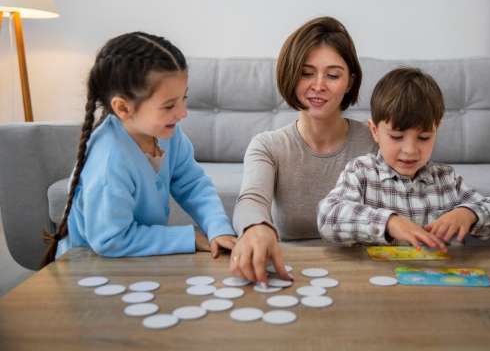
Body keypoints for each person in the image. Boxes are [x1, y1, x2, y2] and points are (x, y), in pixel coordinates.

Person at [41, 32, 236, 267]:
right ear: (123, 108)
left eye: (184, 98)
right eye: (169, 105)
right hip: (92, 268)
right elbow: (111, 239)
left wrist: (217, 227)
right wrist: (189, 237)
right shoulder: (108, 161)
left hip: (139, 258)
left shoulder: (168, 134)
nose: (183, 112)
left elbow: (192, 183)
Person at [230, 17, 377, 284]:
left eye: (333, 75)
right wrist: (256, 227)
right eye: (306, 73)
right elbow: (251, 200)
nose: (318, 85)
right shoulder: (268, 145)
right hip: (291, 273)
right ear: (290, 74)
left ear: (349, 81)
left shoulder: (375, 142)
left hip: (360, 275)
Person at [317, 67, 490, 248]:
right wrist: (389, 222)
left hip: (437, 279)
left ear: (436, 130)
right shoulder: (361, 172)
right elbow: (328, 217)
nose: (410, 150)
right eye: (396, 137)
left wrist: (469, 214)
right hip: (380, 279)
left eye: (424, 138)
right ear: (375, 131)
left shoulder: (446, 179)